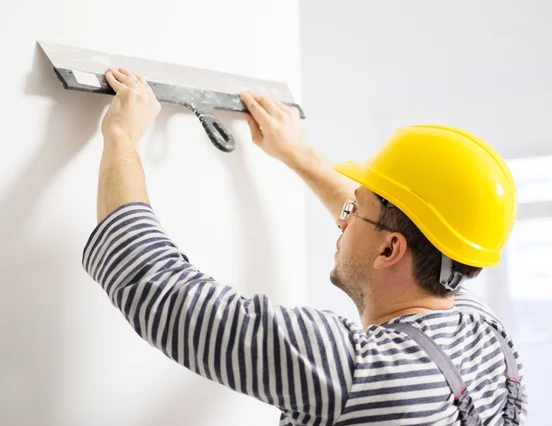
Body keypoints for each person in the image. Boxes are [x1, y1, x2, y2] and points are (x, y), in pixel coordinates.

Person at [83, 67, 527, 425]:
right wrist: (298, 154)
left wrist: (121, 137)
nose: (343, 220)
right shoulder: (484, 333)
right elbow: (404, 228)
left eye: (355, 212)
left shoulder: (350, 370)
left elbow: (153, 284)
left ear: (390, 251)